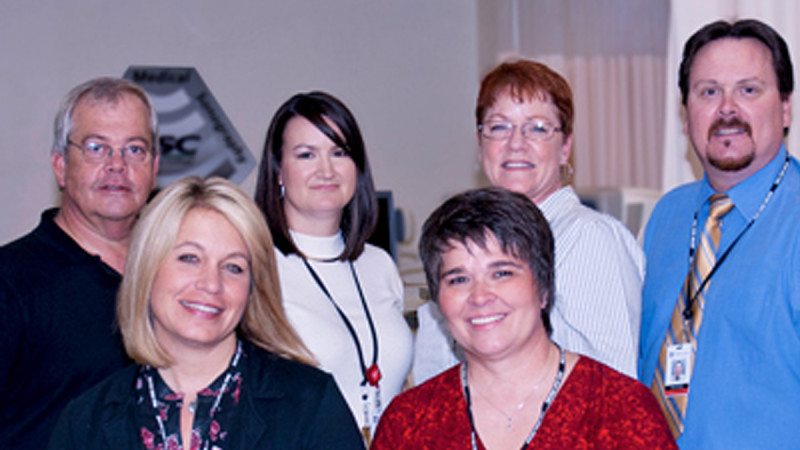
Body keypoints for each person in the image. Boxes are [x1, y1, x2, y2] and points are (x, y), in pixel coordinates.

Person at [48, 176, 364, 449]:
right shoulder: (85, 420)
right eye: (189, 258)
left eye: (233, 267)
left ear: (253, 288)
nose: (212, 283)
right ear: (147, 268)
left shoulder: (310, 405)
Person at [373, 188, 674, 449]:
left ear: (543, 288)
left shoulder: (620, 410)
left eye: (502, 273)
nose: (480, 296)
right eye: (458, 279)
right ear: (438, 301)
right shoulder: (409, 423)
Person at [414, 59, 644, 382]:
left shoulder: (589, 239)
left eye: (537, 128)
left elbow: (612, 386)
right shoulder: (460, 247)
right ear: (480, 145)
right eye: (499, 127)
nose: (516, 143)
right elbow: (432, 375)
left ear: (565, 148)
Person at [639, 19, 800, 448]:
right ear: (685, 110)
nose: (727, 108)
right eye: (709, 92)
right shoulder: (667, 217)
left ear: (785, 107)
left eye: (749, 90)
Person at [0, 77, 160, 449]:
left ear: (154, 168)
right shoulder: (11, 282)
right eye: (96, 148)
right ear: (60, 166)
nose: (117, 165)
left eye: (134, 149)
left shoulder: (178, 279)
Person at [254, 91, 413, 442]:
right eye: (306, 154)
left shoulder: (379, 264)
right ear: (278, 170)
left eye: (339, 152)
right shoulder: (256, 269)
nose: (326, 170)